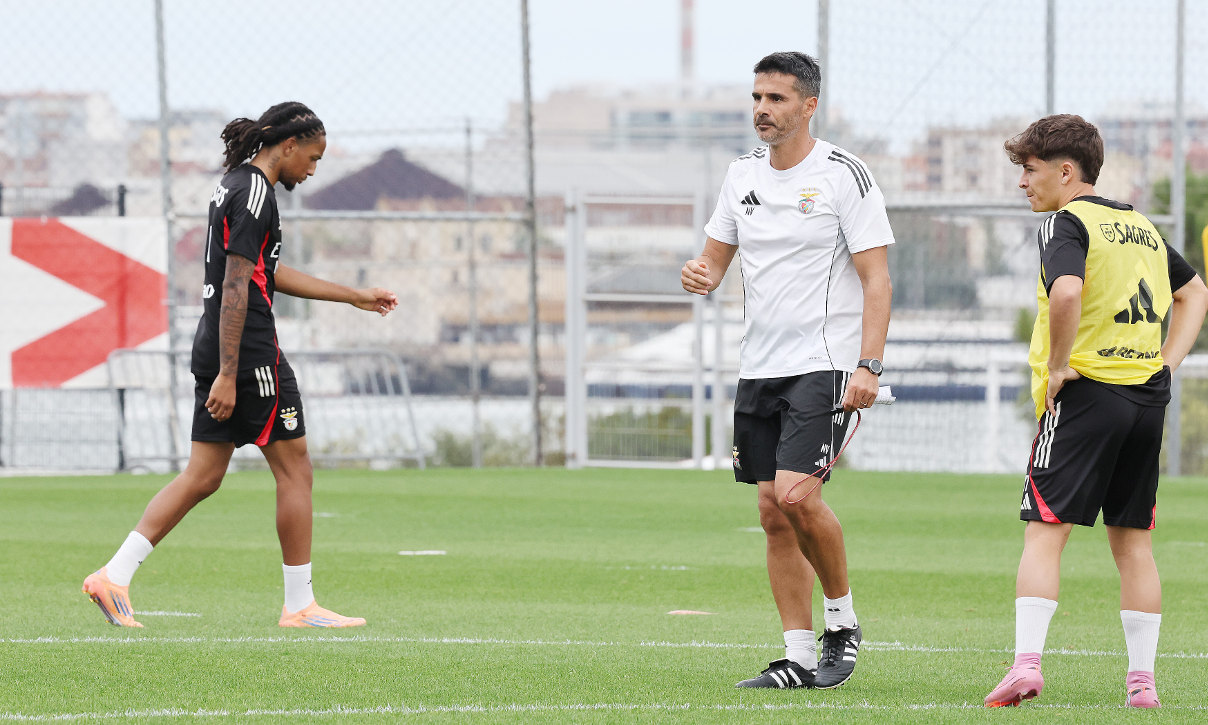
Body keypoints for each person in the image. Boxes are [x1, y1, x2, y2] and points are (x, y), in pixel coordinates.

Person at [82, 102, 399, 629]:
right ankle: (299, 605)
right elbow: (236, 285)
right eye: (314, 158)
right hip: (248, 353)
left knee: (203, 475)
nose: (314, 169)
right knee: (295, 468)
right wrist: (231, 373)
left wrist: (352, 296)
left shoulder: (236, 183)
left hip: (219, 345)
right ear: (289, 145)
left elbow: (262, 274)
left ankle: (113, 576)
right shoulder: (254, 193)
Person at [681, 51, 894, 690]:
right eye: (756, 98)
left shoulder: (843, 175)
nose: (762, 111)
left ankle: (843, 624)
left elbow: (876, 278)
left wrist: (869, 366)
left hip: (824, 364)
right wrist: (700, 274)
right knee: (773, 511)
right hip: (759, 365)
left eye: (776, 99)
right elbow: (715, 260)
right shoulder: (739, 174)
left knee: (800, 493)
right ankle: (797, 655)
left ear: (808, 106)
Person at [984, 114, 1208, 708]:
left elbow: (1066, 291)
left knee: (1045, 532)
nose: (1023, 183)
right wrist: (1166, 364)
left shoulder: (1068, 222)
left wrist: (1059, 366)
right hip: (1144, 397)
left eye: (1029, 171)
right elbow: (1196, 293)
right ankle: (1142, 684)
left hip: (1087, 394)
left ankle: (1026, 665)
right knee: (1133, 543)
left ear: (1065, 171)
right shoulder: (1139, 225)